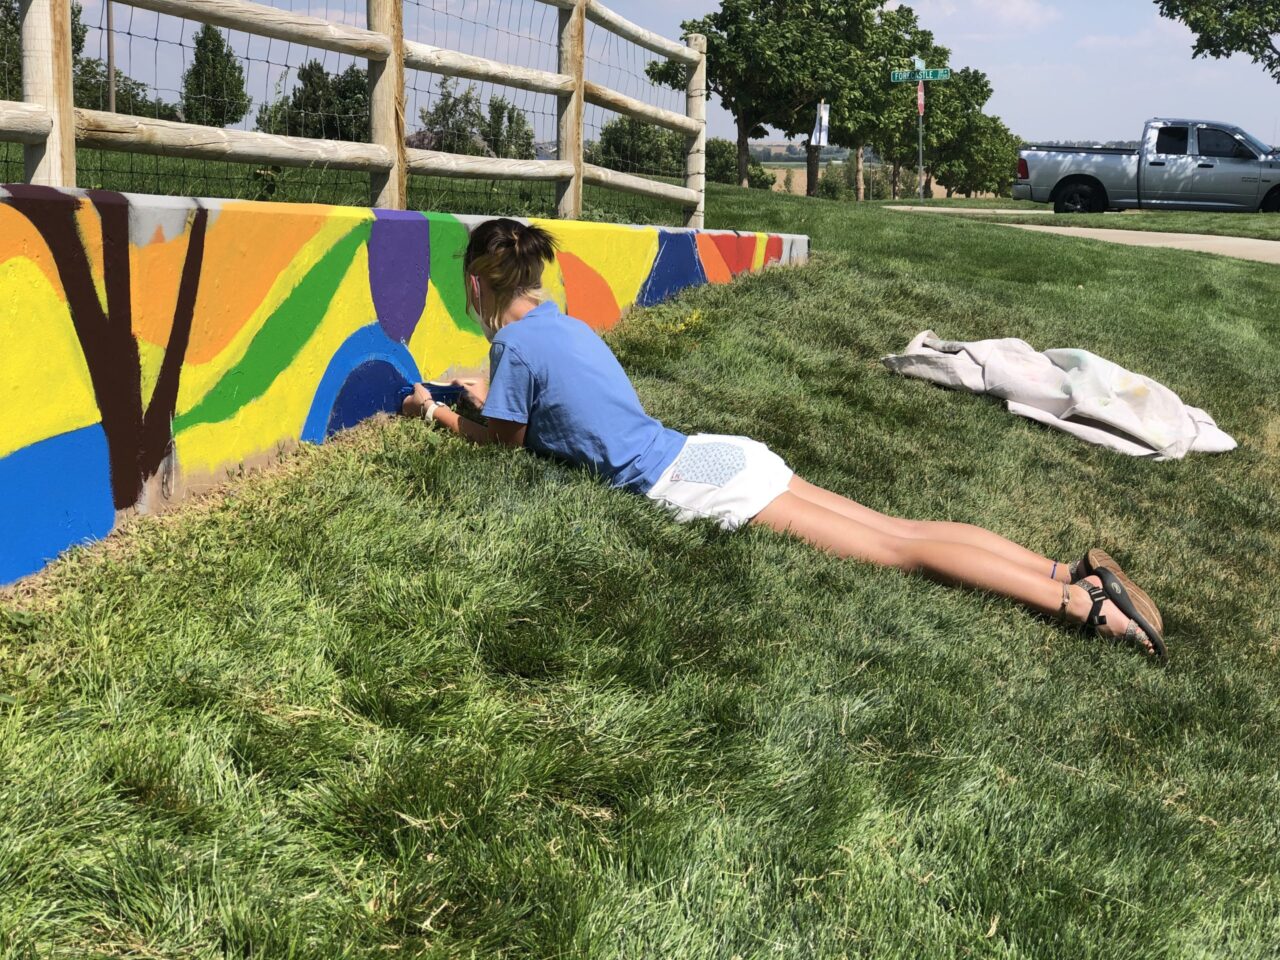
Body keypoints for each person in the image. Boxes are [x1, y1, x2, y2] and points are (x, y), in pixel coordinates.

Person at [402, 219, 1166, 660]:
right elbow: (545, 412)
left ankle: (1081, 607)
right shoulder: (564, 324)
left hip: (691, 483)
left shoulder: (512, 349)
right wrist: (482, 396)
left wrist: (437, 412)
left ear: (477, 286)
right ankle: (1072, 568)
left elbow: (504, 439)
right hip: (719, 451)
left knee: (900, 551)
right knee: (901, 528)